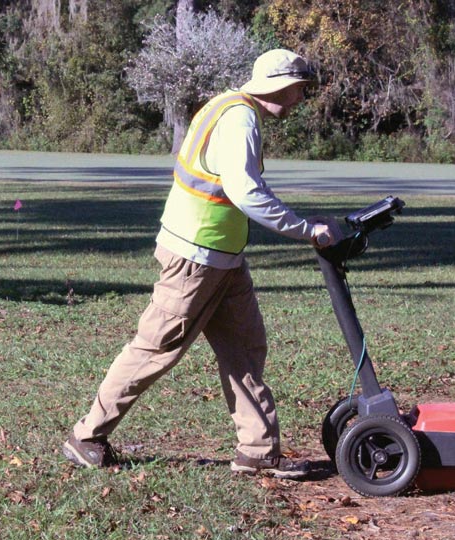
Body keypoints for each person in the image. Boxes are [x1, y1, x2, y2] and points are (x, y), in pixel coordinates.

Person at [62, 49, 342, 479]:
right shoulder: (240, 119)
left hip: (223, 260)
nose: (301, 99)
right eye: (301, 90)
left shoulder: (228, 106)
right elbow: (247, 193)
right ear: (280, 86)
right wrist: (306, 230)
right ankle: (87, 436)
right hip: (195, 259)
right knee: (154, 349)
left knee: (245, 351)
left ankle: (258, 451)